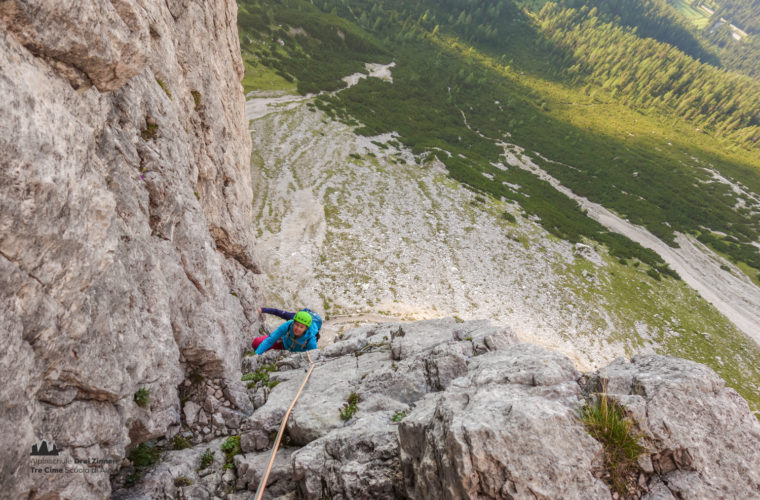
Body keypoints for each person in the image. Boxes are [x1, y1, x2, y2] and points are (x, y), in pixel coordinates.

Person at [252, 307, 322, 355]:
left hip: (299, 354)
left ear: (306, 328)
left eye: (301, 327)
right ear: (293, 322)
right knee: (256, 343)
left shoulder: (310, 339)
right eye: (297, 325)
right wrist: (257, 354)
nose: (298, 328)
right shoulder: (289, 325)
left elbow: (314, 355)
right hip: (284, 343)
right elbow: (271, 340)